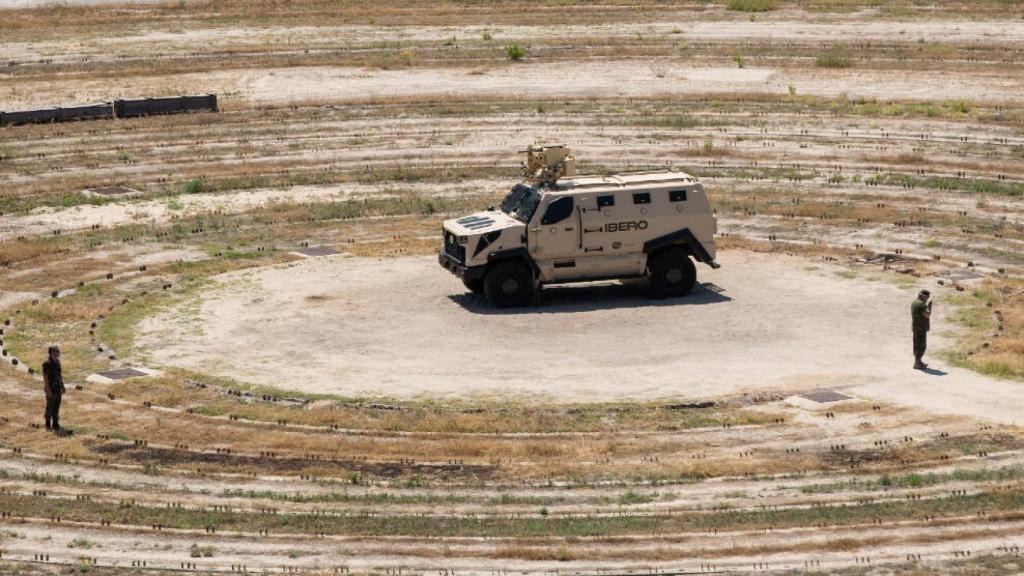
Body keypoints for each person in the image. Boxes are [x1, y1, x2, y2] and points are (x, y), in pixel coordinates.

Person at [41, 345, 65, 432]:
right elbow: (45, 377)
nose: (58, 352)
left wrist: (62, 386)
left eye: (58, 351)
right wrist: (48, 390)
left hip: (58, 387)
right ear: (51, 352)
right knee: (50, 406)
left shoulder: (58, 362)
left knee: (57, 406)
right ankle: (47, 424)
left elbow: (59, 375)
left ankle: (55, 423)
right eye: (56, 351)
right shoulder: (47, 363)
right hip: (50, 388)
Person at [911, 289, 932, 370]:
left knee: (916, 344)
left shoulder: (915, 302)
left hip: (916, 326)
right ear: (924, 296)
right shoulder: (921, 305)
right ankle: (917, 363)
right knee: (921, 345)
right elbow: (927, 315)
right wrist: (929, 307)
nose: (927, 298)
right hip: (920, 328)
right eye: (927, 297)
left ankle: (918, 362)